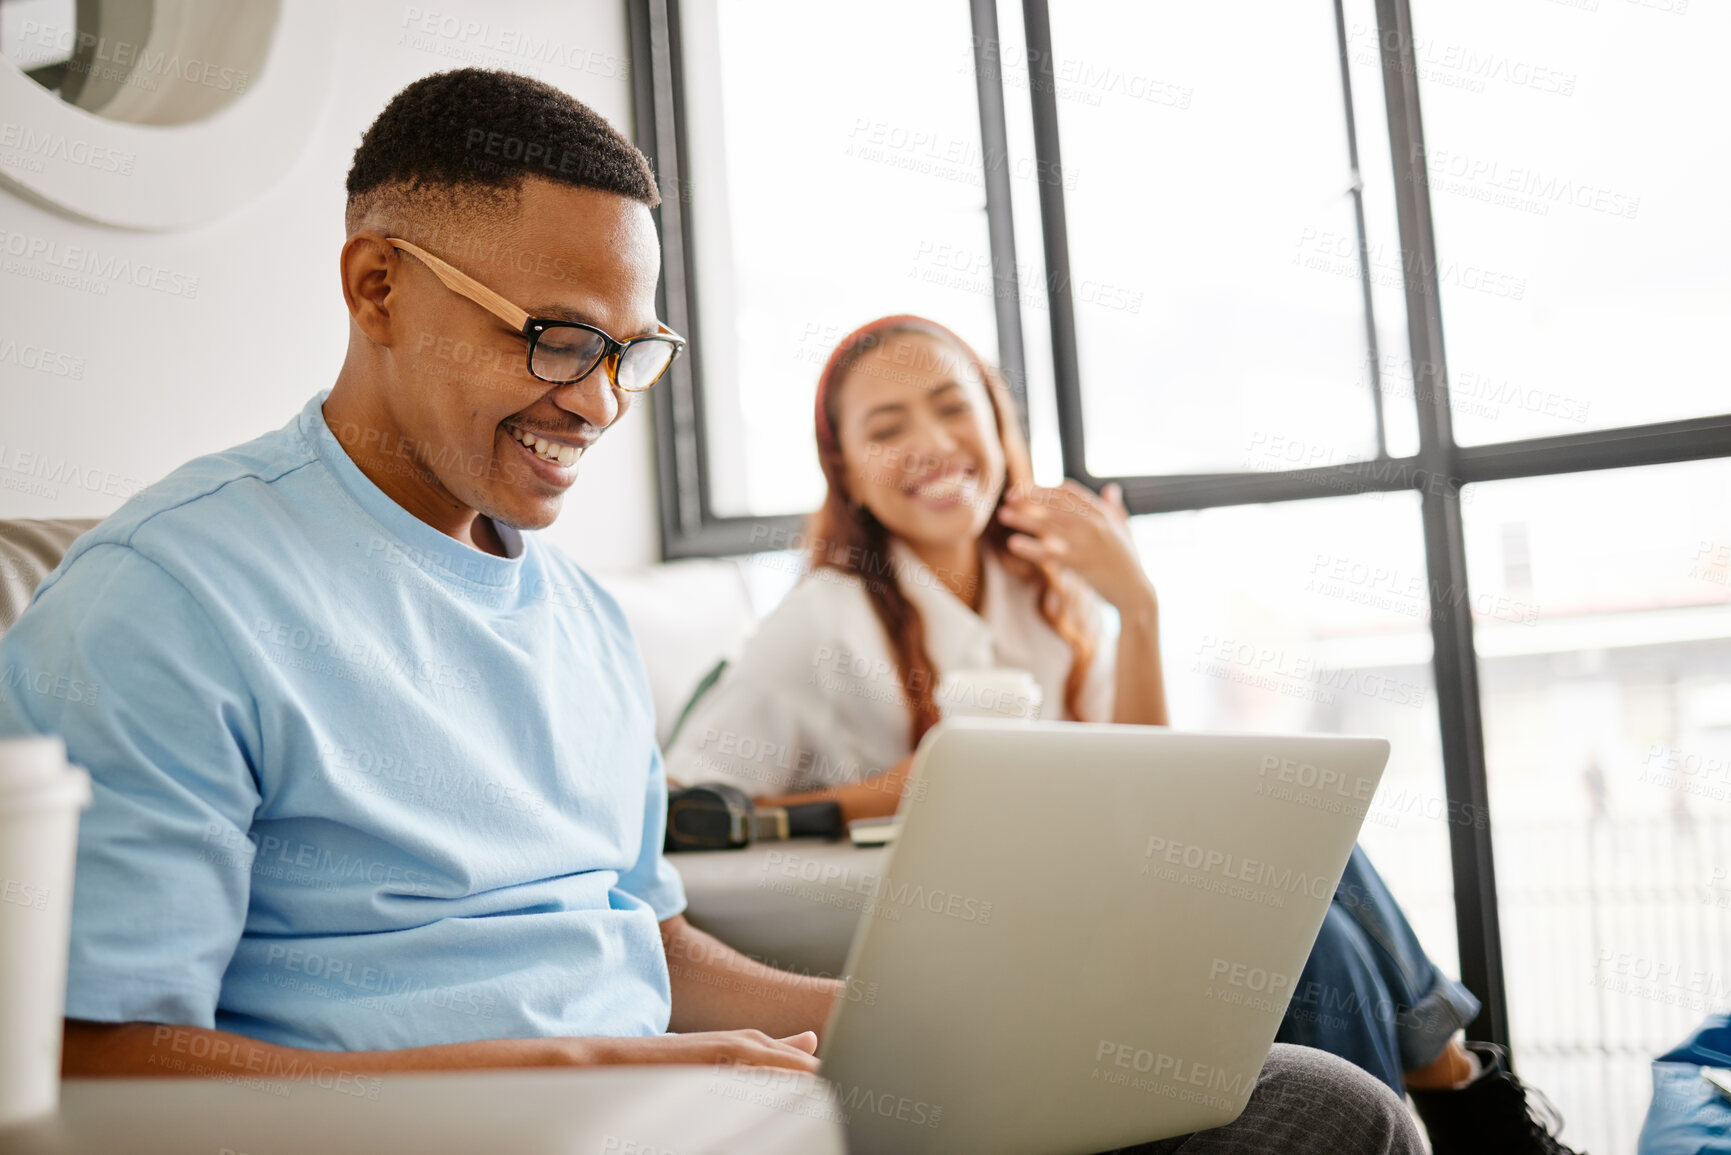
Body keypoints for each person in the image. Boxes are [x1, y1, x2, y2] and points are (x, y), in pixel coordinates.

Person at [0, 69, 1423, 1154]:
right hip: (478, 1127)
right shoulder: (164, 601)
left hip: (691, 1116)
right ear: (377, 286)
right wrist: (588, 1072)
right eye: (557, 338)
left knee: (1319, 1110)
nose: (599, 402)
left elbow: (645, 939)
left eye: (631, 351)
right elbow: (90, 1059)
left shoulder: (568, 614)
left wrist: (904, 1021)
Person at [665, 314, 1581, 1155]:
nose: (932, 443)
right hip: (974, 925)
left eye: (953, 407)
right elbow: (680, 808)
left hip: (1085, 894)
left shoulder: (1041, 593)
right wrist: (891, 791)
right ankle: (1463, 1091)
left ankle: (1453, 1087)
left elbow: (1150, 770)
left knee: (1316, 902)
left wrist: (1134, 607)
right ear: (847, 468)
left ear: (997, 427)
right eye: (888, 426)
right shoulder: (823, 619)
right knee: (1314, 930)